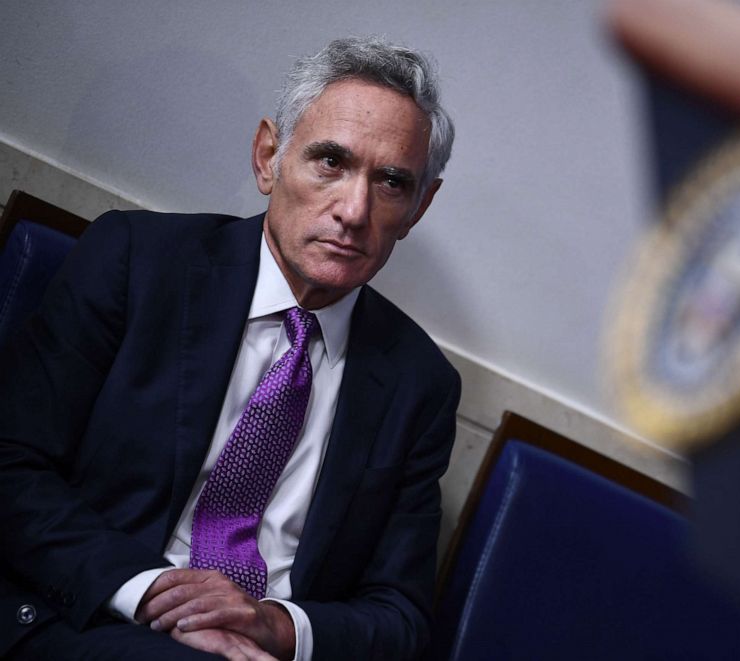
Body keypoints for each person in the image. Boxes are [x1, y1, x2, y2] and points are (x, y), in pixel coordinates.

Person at [0, 36, 459, 661]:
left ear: (419, 207)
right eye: (330, 162)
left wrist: (274, 625)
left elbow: (399, 617)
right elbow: (11, 467)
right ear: (269, 157)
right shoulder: (136, 263)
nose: (354, 210)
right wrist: (157, 592)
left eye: (391, 182)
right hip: (92, 617)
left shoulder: (417, 382)